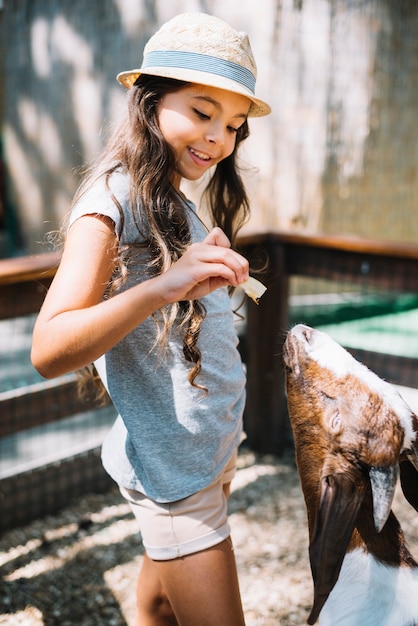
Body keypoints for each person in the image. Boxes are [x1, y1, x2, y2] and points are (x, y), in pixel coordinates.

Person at [31, 12, 270, 626]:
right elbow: (50, 347)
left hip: (207, 451)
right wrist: (166, 287)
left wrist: (198, 279)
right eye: (202, 111)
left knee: (159, 605)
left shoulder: (172, 200)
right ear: (150, 100)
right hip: (175, 474)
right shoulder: (108, 201)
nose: (219, 137)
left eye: (234, 125)